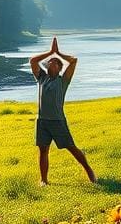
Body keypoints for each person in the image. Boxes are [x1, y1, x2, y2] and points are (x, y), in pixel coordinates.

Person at [29, 37, 96, 186]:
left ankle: (89, 171)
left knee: (71, 148)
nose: (50, 64)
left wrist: (58, 53)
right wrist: (50, 52)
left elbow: (73, 60)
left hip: (58, 121)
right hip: (42, 121)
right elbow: (33, 60)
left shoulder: (63, 80)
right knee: (43, 150)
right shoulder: (41, 78)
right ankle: (44, 180)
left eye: (55, 63)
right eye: (49, 63)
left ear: (60, 68)